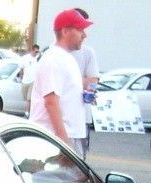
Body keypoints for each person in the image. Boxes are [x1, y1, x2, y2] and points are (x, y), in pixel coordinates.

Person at [29, 9, 93, 152]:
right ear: (65, 31)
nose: (85, 35)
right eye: (80, 30)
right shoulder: (53, 59)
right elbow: (51, 102)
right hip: (53, 140)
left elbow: (64, 96)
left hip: (67, 137)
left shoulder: (66, 58)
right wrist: (64, 144)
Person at [71, 8, 99, 157]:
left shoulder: (88, 52)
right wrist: (79, 82)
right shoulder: (52, 52)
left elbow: (92, 82)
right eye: (81, 28)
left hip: (81, 118)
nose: (84, 34)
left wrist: (67, 81)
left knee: (78, 161)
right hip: (57, 118)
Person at [19, 44, 40, 117]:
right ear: (32, 50)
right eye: (35, 51)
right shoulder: (25, 58)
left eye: (37, 52)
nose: (36, 53)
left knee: (29, 98)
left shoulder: (38, 59)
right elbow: (21, 69)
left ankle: (27, 113)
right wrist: (21, 78)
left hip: (33, 81)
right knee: (25, 98)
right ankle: (28, 111)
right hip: (25, 81)